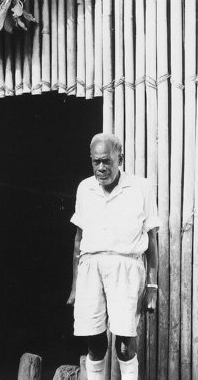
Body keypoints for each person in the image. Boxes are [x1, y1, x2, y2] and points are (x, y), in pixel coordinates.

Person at [67, 133, 160, 380]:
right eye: (96, 162)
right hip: (91, 269)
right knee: (95, 342)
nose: (101, 167)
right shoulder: (85, 189)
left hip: (126, 268)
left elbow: (152, 241)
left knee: (125, 344)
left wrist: (151, 285)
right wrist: (76, 286)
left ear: (120, 158)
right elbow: (78, 240)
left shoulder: (140, 187)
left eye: (107, 161)